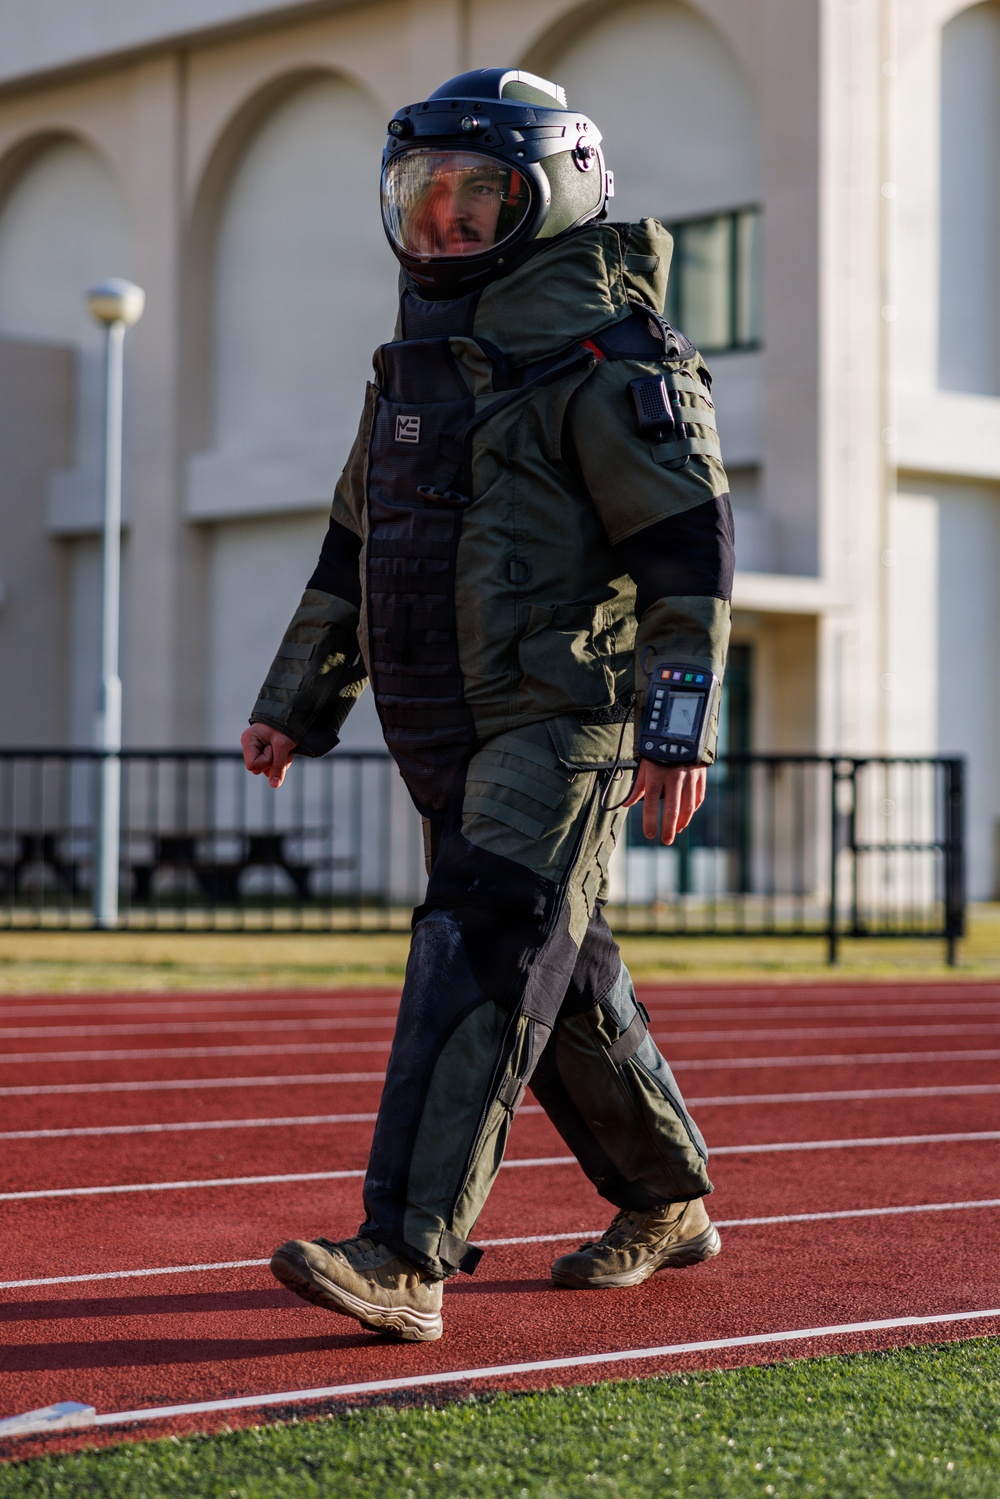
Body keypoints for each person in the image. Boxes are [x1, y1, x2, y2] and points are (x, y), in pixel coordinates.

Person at [241, 68, 734, 1344]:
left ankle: (404, 1253)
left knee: (473, 946)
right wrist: (295, 702)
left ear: (553, 194)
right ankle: (668, 1193)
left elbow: (691, 556)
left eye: (478, 197)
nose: (446, 221)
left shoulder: (610, 360)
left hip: (560, 717)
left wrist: (677, 727)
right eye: (425, 195)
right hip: (438, 724)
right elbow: (355, 546)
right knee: (555, 974)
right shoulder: (412, 363)